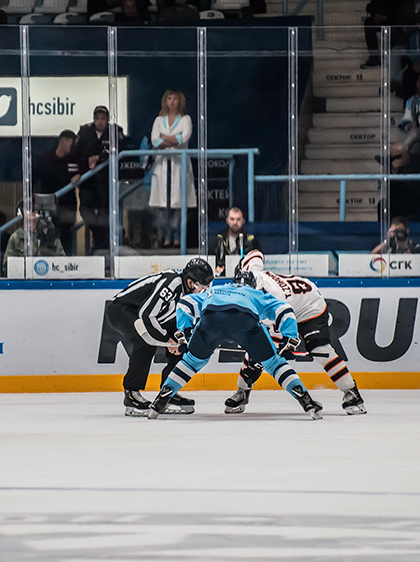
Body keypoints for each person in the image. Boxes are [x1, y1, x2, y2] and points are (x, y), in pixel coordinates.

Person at [149, 270, 323, 420]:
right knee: (274, 364)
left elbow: (185, 303)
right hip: (244, 321)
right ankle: (306, 400)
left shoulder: (216, 289)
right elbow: (285, 310)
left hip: (211, 319)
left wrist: (185, 331)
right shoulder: (256, 293)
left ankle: (160, 401)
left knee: (190, 362)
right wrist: (289, 338)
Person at [224, 250, 366, 416]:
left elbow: (273, 345)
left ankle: (352, 393)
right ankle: (242, 391)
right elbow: (255, 254)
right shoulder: (249, 274)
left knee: (320, 350)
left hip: (309, 306)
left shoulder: (273, 299)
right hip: (293, 298)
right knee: (257, 348)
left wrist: (281, 347)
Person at [105, 257, 212, 416]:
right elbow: (146, 316)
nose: (204, 291)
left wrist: (176, 340)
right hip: (122, 310)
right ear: (191, 282)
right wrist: (167, 340)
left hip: (144, 314)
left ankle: (168, 390)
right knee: (146, 339)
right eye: (202, 287)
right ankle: (131, 394)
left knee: (181, 343)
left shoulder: (186, 292)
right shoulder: (172, 283)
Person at [74, 105, 125, 255]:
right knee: (85, 210)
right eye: (97, 118)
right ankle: (98, 239)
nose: (100, 122)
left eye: (103, 118)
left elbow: (121, 149)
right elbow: (76, 155)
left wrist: (100, 158)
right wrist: (82, 168)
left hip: (106, 182)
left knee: (105, 213)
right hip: (88, 182)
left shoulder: (115, 131)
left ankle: (103, 246)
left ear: (108, 119)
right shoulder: (84, 132)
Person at [149, 89, 195, 249]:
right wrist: (172, 140)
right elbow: (154, 140)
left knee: (178, 203)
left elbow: (184, 137)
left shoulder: (186, 119)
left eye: (175, 98)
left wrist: (164, 139)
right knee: (164, 205)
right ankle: (167, 237)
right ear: (165, 101)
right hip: (162, 166)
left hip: (179, 165)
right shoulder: (158, 120)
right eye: (169, 98)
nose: (172, 101)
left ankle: (177, 238)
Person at [33, 129, 80, 251]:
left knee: (66, 236)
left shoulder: (74, 160)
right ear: (62, 141)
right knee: (47, 235)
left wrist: (80, 175)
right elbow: (32, 181)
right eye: (71, 142)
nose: (73, 146)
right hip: (47, 205)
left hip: (67, 205)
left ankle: (67, 262)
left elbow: (87, 170)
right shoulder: (45, 161)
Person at [2, 199, 66, 274]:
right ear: (21, 213)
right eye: (28, 208)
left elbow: (63, 263)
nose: (32, 211)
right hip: (23, 283)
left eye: (34, 208)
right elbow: (7, 267)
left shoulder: (50, 235)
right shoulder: (15, 238)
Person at [210, 206, 260, 276]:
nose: (235, 222)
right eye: (232, 219)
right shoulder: (218, 241)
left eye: (238, 219)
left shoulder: (251, 242)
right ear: (227, 220)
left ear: (243, 221)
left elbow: (257, 264)